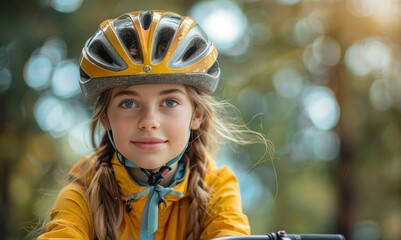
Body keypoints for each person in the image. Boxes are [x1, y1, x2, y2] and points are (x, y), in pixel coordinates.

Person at [36, 9, 272, 240]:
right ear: (106, 118)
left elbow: (229, 232)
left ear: (197, 114)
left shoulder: (217, 188)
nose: (149, 122)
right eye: (128, 103)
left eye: (169, 102)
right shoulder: (84, 191)